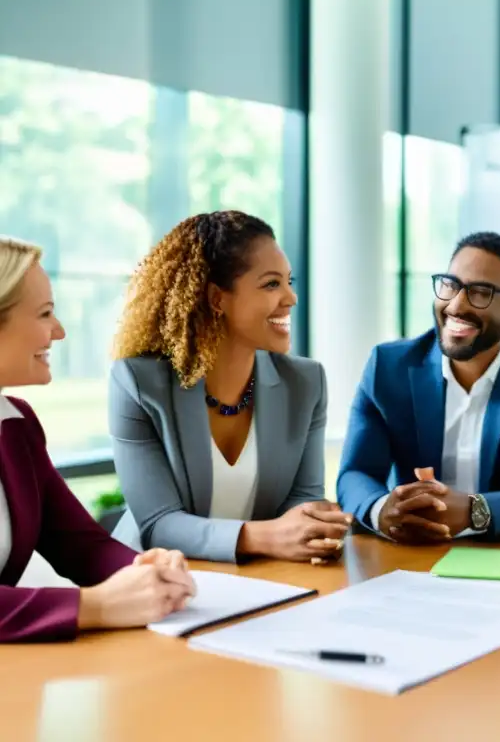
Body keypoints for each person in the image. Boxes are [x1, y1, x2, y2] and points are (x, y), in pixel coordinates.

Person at [109, 211, 351, 563]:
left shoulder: (306, 382)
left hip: (263, 578)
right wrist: (263, 537)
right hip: (155, 580)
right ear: (217, 298)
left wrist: (314, 526)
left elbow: (303, 498)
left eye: (289, 281)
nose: (291, 298)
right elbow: (159, 524)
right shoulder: (139, 383)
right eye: (271, 284)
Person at [0, 237, 195, 643]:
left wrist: (142, 569)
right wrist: (98, 605)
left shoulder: (16, 423)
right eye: (45, 313)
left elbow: (79, 545)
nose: (59, 331)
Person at [337, 232, 500, 542]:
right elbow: (355, 473)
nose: (456, 305)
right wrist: (382, 510)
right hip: (411, 553)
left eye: (481, 292)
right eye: (450, 285)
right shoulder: (389, 368)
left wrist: (475, 510)